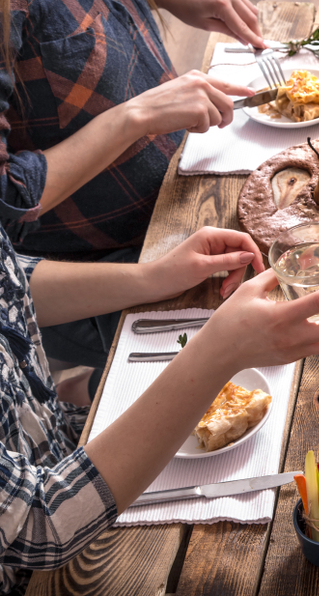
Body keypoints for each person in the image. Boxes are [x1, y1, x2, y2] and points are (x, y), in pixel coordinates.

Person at [0, 223, 319, 594]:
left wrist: (152, 277)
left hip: (55, 435)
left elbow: (9, 279)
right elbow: (38, 525)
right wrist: (218, 353)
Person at [0, 0, 266, 398]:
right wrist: (134, 117)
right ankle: (88, 392)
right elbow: (6, 203)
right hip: (97, 267)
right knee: (249, 355)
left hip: (181, 195)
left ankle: (86, 389)